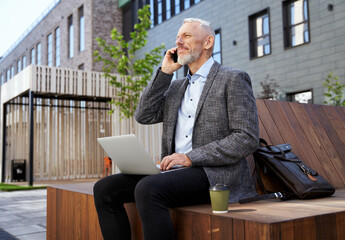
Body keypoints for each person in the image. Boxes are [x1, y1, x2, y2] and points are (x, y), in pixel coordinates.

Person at [93, 18, 259, 240]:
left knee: (148, 188)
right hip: (174, 173)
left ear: (208, 42)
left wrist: (190, 158)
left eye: (186, 36)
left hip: (214, 174)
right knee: (105, 189)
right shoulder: (175, 87)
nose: (178, 41)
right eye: (178, 37)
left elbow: (245, 138)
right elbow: (144, 115)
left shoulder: (232, 79)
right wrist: (164, 73)